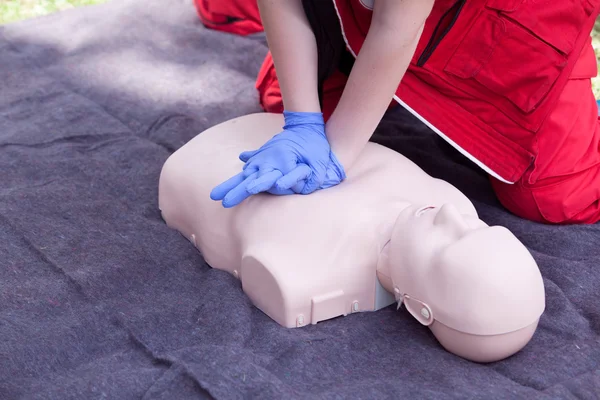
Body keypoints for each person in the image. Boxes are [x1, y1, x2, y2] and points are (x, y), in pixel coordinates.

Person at [158, 112, 546, 363]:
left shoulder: (310, 273)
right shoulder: (450, 202)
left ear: (418, 309)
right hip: (283, 128)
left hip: (202, 164)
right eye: (478, 227)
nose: (450, 216)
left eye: (447, 242)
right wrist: (304, 123)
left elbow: (264, 267)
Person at [203, 0, 600, 225]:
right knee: (282, 98)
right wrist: (302, 122)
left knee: (557, 198)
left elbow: (398, 26)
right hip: (370, 13)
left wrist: (337, 154)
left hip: (501, 19)